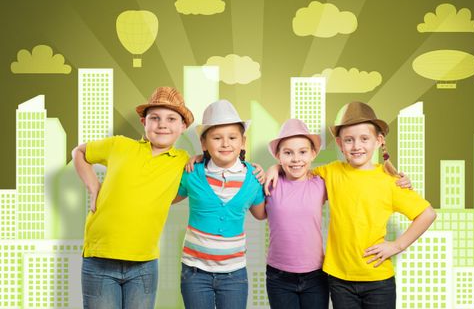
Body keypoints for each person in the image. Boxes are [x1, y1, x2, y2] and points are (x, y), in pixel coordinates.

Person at [268, 102, 436, 309]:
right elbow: (298, 168)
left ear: (378, 140)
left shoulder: (389, 181)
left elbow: (427, 214)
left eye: (364, 139)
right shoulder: (331, 172)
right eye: (349, 140)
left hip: (377, 279)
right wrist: (274, 168)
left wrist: (397, 245)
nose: (356, 146)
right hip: (339, 279)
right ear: (339, 143)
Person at [73, 86, 194, 309]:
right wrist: (94, 187)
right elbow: (79, 152)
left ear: (183, 126)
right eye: (154, 118)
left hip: (144, 265)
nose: (162, 124)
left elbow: (213, 165)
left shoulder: (183, 160)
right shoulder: (119, 145)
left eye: (171, 118)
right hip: (99, 259)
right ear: (143, 122)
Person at [173, 100, 266, 309]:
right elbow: (167, 198)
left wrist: (274, 173)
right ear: (204, 144)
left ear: (243, 142)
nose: (225, 144)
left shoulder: (253, 177)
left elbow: (261, 214)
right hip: (194, 271)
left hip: (234, 273)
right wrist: (179, 163)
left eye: (232, 138)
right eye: (217, 138)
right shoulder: (192, 173)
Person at [265, 119, 329, 309]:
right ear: (278, 156)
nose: (296, 159)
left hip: (315, 274)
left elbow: (351, 177)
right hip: (279, 275)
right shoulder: (270, 183)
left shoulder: (321, 183)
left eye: (303, 152)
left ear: (313, 154)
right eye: (288, 153)